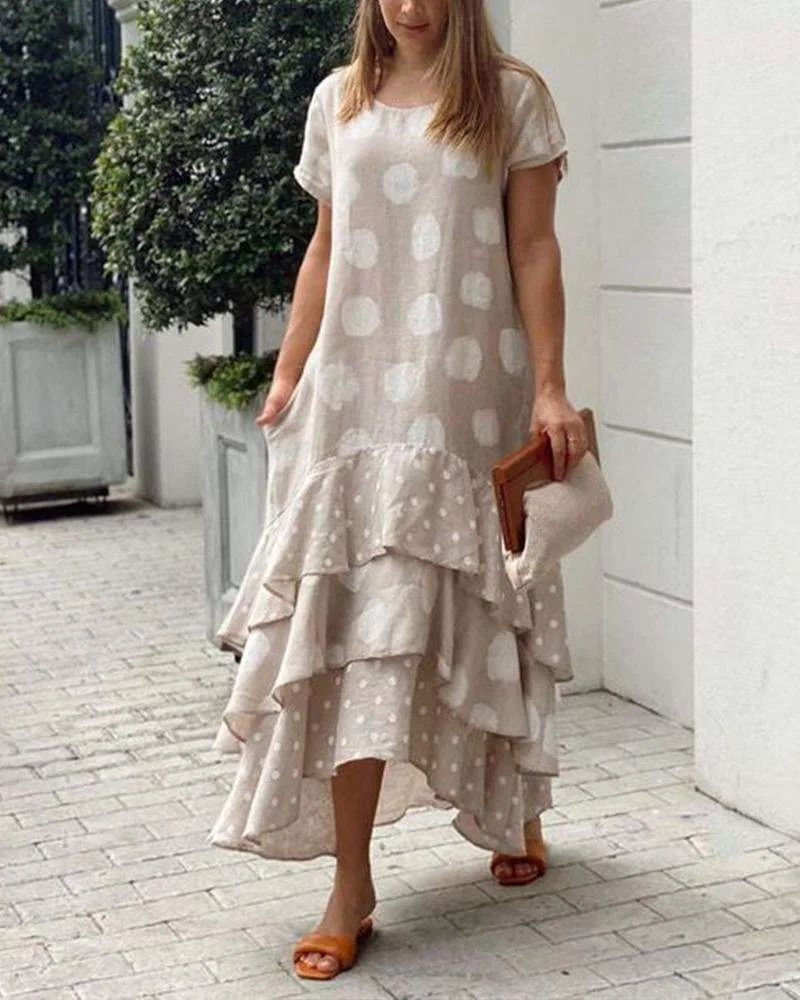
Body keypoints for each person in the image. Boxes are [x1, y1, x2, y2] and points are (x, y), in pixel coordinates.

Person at [207, 0, 589, 982]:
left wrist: (549, 386)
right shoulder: (338, 99)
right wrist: (289, 370)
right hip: (355, 395)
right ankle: (351, 885)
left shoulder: (511, 97)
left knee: (487, 602)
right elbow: (326, 246)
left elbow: (534, 249)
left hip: (466, 392)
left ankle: (516, 805)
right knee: (356, 632)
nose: (411, 6)